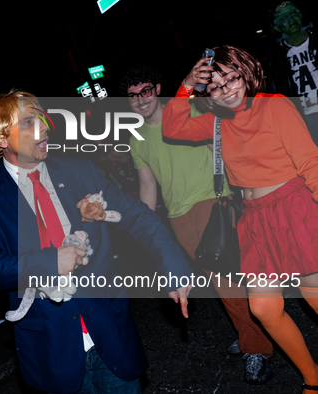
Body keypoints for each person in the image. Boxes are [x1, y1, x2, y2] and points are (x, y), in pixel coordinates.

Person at [0, 90, 193, 393]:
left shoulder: (79, 171)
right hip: (51, 348)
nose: (43, 127)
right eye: (30, 122)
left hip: (109, 331)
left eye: (42, 118)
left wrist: (173, 263)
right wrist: (49, 261)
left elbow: (135, 215)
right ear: (2, 138)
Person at [162, 45, 318, 394]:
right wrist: (185, 84)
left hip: (294, 210)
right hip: (255, 220)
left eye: (231, 78)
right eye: (214, 87)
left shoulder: (273, 105)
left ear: (246, 72)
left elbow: (311, 163)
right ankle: (313, 378)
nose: (227, 90)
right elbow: (172, 128)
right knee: (263, 308)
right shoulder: (216, 122)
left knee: (315, 299)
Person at [121, 65, 274, 384]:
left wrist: (242, 191)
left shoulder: (187, 110)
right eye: (133, 96)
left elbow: (220, 146)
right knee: (225, 282)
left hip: (213, 203)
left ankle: (256, 345)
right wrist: (144, 229)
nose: (140, 100)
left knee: (231, 278)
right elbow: (148, 185)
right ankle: (252, 330)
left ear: (157, 88)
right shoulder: (137, 138)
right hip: (178, 217)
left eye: (145, 91)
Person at [265, 1, 318, 146]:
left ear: (300, 14)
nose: (291, 19)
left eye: (293, 13)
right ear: (276, 26)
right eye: (284, 18)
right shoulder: (275, 60)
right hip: (307, 118)